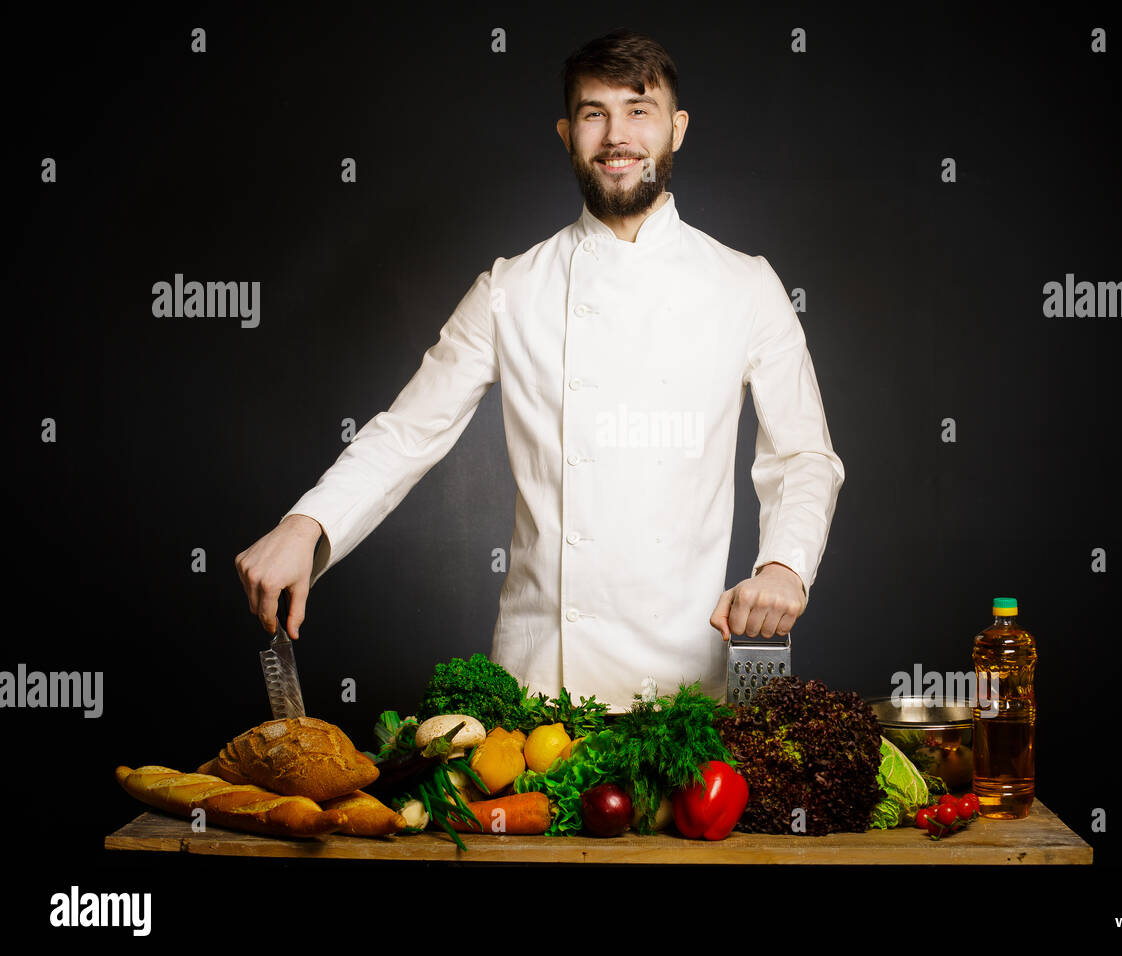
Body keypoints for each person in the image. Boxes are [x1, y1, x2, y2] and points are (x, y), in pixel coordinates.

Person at [234, 29, 845, 711]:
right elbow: (407, 433)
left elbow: (802, 457)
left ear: (676, 130)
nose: (617, 135)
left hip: (686, 695)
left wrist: (785, 566)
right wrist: (305, 525)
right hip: (536, 696)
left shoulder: (746, 285)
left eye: (638, 110)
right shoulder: (509, 289)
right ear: (566, 133)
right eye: (594, 113)